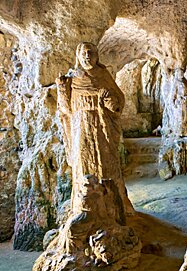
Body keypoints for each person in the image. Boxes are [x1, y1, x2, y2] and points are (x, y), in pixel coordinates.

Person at [56, 42, 132, 215]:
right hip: (81, 126)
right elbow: (66, 110)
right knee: (83, 163)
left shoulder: (103, 74)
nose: (87, 56)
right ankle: (84, 207)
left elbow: (118, 100)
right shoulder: (72, 78)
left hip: (102, 125)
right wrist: (61, 88)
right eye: (84, 53)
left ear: (97, 56)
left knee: (107, 162)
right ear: (78, 56)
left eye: (90, 52)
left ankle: (114, 205)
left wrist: (109, 101)